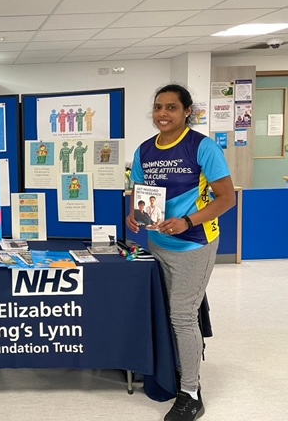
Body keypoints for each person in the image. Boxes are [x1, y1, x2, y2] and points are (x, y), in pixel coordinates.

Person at [126, 84, 236, 421]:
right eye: (158, 107)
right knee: (165, 310)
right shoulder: (144, 150)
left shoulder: (202, 147)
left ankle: (190, 392)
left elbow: (227, 199)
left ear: (187, 111)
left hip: (195, 243)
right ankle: (172, 368)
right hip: (159, 242)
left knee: (181, 316)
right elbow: (142, 195)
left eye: (171, 108)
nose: (163, 114)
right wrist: (135, 215)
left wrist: (188, 220)